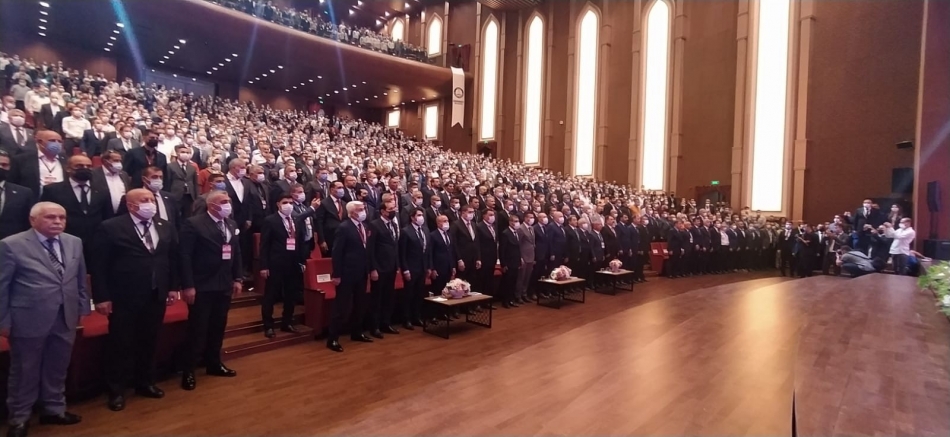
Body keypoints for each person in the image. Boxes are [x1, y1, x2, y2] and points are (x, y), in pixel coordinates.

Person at [0, 202, 89, 437]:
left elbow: (79, 278)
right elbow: (2, 287)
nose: (58, 221)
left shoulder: (74, 242)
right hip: (27, 318)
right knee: (24, 370)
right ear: (33, 220)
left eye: (62, 217)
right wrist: (3, 321)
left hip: (65, 316)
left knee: (57, 366)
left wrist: (81, 308)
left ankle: (54, 409)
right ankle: (19, 418)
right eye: (50, 217)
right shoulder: (11, 245)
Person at [91, 189, 178, 412]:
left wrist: (172, 287)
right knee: (120, 343)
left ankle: (145, 382)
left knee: (149, 340)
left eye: (152, 199)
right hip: (124, 296)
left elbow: (171, 258)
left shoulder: (164, 226)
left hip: (156, 293)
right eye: (144, 200)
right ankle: (116, 390)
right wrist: (102, 297)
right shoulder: (110, 227)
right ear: (130, 205)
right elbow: (99, 265)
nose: (150, 203)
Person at [178, 190, 243, 390]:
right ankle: (189, 370)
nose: (228, 204)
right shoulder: (194, 223)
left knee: (218, 326)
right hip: (202, 284)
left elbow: (236, 252)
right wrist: (188, 285)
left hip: (224, 284)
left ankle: (214, 362)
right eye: (223, 201)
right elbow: (185, 256)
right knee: (197, 329)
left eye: (228, 201)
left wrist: (238, 277)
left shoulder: (231, 224)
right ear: (211, 205)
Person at [258, 194, 317, 338]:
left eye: (291, 202)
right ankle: (268, 326)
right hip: (275, 263)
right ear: (278, 204)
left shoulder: (296, 219)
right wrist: (264, 266)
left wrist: (302, 261)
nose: (288, 205)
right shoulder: (270, 220)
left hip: (293, 263)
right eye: (285, 202)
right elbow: (264, 245)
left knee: (291, 295)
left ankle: (287, 322)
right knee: (271, 295)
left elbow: (301, 242)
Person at [39, 155, 112, 260]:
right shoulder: (52, 190)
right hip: (65, 241)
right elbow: (45, 216)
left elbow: (107, 216)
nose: (85, 169)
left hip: (96, 243)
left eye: (88, 166)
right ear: (68, 168)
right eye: (79, 166)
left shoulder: (102, 190)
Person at [327, 201, 373, 352]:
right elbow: (337, 252)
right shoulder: (344, 227)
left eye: (363, 209)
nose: (363, 211)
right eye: (360, 209)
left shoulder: (364, 226)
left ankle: (357, 332)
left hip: (361, 272)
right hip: (346, 273)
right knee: (341, 307)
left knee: (360, 305)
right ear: (352, 212)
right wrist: (337, 274)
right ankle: (333, 339)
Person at [367, 197, 400, 337]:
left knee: (389, 297)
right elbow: (370, 249)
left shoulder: (393, 225)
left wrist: (397, 264)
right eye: (390, 209)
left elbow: (395, 246)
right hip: (379, 268)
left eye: (394, 209)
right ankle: (374, 327)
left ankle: (386, 323)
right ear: (383, 211)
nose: (393, 211)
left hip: (391, 266)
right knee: (377, 299)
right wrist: (373, 268)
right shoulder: (374, 225)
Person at [9, 129, 66, 202]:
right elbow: (12, 183)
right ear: (39, 142)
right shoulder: (21, 160)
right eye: (52, 140)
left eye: (60, 141)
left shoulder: (65, 160)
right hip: (31, 202)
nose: (57, 144)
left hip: (59, 203)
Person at [399, 207, 433, 328]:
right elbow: (402, 253)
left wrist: (429, 267)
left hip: (422, 267)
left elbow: (428, 250)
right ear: (412, 217)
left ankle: (416, 316)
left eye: (422, 215)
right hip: (411, 268)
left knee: (419, 294)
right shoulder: (405, 231)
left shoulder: (426, 230)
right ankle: (406, 319)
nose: (421, 217)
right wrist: (405, 269)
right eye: (418, 215)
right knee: (409, 294)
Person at [0, 151, 33, 240]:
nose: (1, 167)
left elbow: (27, 223)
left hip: (10, 242)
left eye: (4, 165)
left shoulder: (24, 193)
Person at [90, 149, 130, 217]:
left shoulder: (124, 174)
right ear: (105, 161)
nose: (119, 163)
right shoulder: (93, 174)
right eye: (116, 161)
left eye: (120, 161)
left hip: (121, 215)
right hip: (101, 214)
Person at [165, 144, 199, 220]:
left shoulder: (192, 168)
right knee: (175, 216)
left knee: (188, 216)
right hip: (176, 195)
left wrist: (196, 197)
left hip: (189, 196)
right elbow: (167, 182)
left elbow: (195, 183)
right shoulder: (170, 166)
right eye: (183, 152)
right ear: (177, 153)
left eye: (187, 152)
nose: (185, 154)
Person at [429, 214, 457, 303]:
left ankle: (447, 309)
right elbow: (430, 253)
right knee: (438, 291)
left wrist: (453, 266)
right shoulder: (433, 235)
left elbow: (451, 252)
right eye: (444, 221)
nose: (447, 223)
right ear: (438, 223)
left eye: (447, 221)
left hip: (448, 268)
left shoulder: (449, 235)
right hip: (438, 268)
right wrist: (432, 268)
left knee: (448, 291)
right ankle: (438, 310)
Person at [498, 214, 523, 308]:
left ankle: (511, 300)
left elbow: (518, 249)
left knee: (513, 282)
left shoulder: (516, 233)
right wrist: (503, 264)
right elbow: (502, 250)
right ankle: (505, 301)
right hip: (508, 262)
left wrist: (519, 260)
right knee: (507, 283)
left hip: (515, 262)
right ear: (510, 222)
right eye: (515, 221)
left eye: (518, 221)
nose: (517, 223)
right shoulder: (505, 233)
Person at [515, 212, 537, 303]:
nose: (531, 219)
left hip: (531, 256)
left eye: (532, 217)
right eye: (529, 217)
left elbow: (533, 243)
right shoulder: (520, 228)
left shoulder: (532, 228)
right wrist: (520, 257)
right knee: (521, 277)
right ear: (525, 218)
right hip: (523, 256)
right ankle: (518, 295)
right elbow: (518, 244)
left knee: (527, 277)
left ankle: (524, 294)